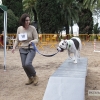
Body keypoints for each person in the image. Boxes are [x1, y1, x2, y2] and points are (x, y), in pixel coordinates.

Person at [12, 13, 39, 86]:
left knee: (28, 63)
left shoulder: (32, 28)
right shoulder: (19, 29)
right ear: (23, 21)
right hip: (22, 49)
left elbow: (37, 39)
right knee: (24, 65)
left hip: (31, 49)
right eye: (26, 20)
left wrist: (32, 41)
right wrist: (14, 47)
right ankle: (30, 78)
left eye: (29, 20)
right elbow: (17, 40)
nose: (28, 22)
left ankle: (35, 76)